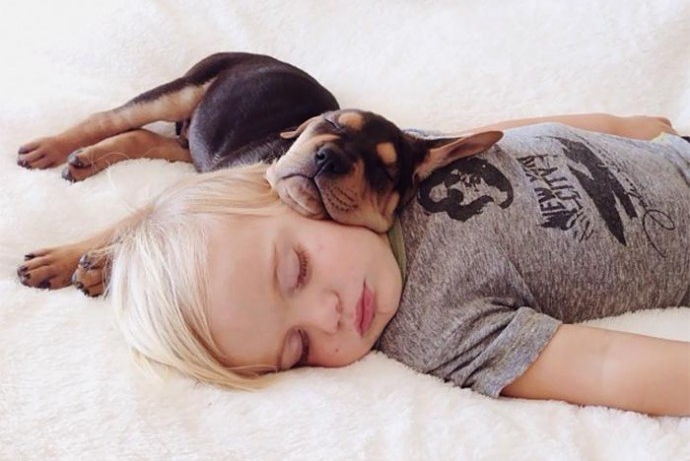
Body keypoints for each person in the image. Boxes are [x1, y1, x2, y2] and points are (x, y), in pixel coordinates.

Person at [106, 114, 690, 416]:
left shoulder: (370, 168)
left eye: (298, 271)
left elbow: (499, 135)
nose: (329, 316)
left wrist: (613, 125)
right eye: (299, 348)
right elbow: (604, 366)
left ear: (286, 191)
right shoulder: (435, 328)